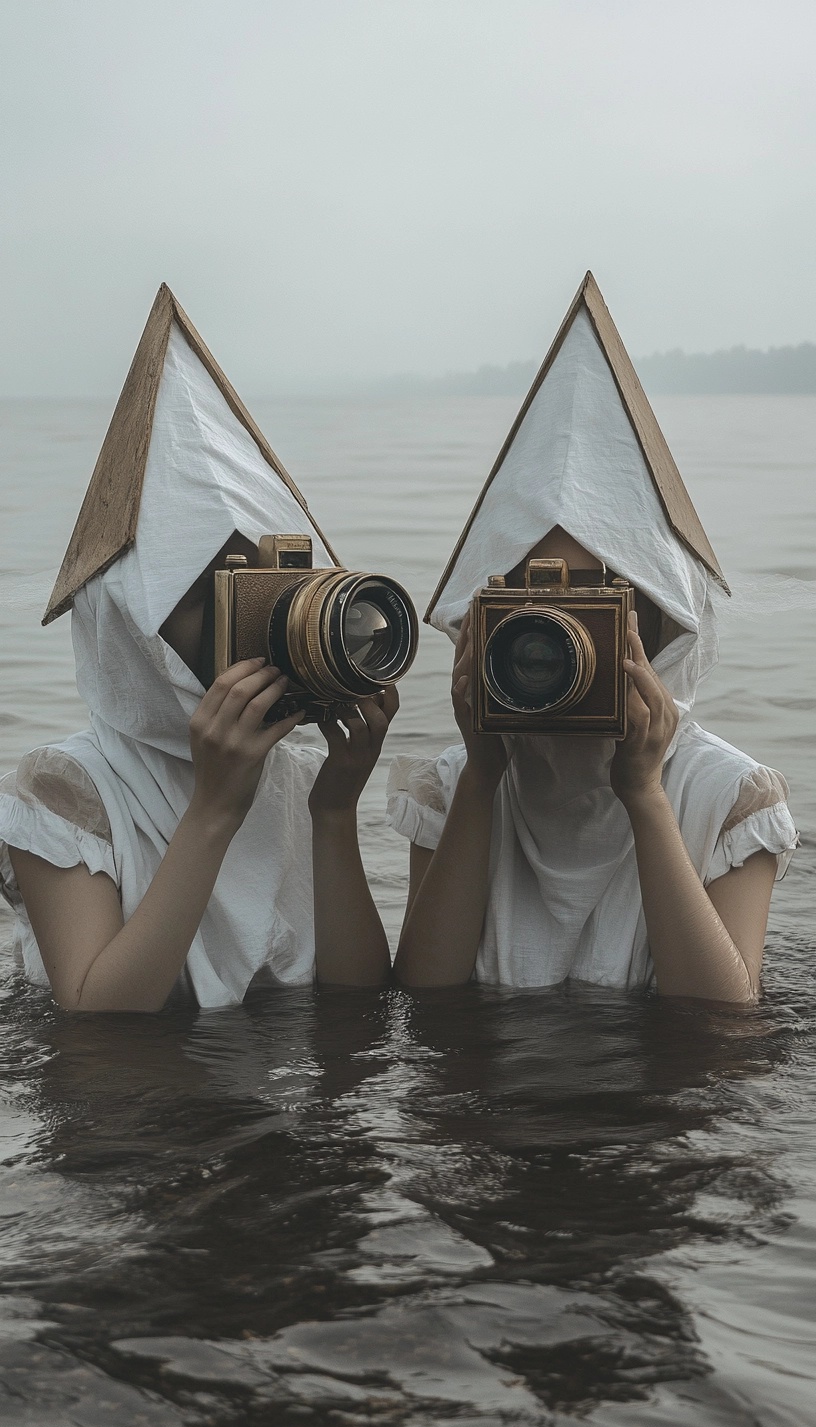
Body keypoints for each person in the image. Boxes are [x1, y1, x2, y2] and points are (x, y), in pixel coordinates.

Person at [388, 278, 797, 1002]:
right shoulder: (455, 787)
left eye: (593, 603)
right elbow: (426, 999)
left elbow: (719, 1020)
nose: (558, 632)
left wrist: (643, 792)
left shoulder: (725, 796)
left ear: (659, 620)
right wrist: (483, 775)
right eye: (532, 604)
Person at [0, 293, 396, 1011]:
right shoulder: (68, 787)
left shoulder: (296, 775)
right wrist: (214, 807)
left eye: (271, 604)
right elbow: (99, 1015)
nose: (252, 639)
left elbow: (357, 997)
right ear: (133, 630)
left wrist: (335, 809)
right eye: (215, 607)